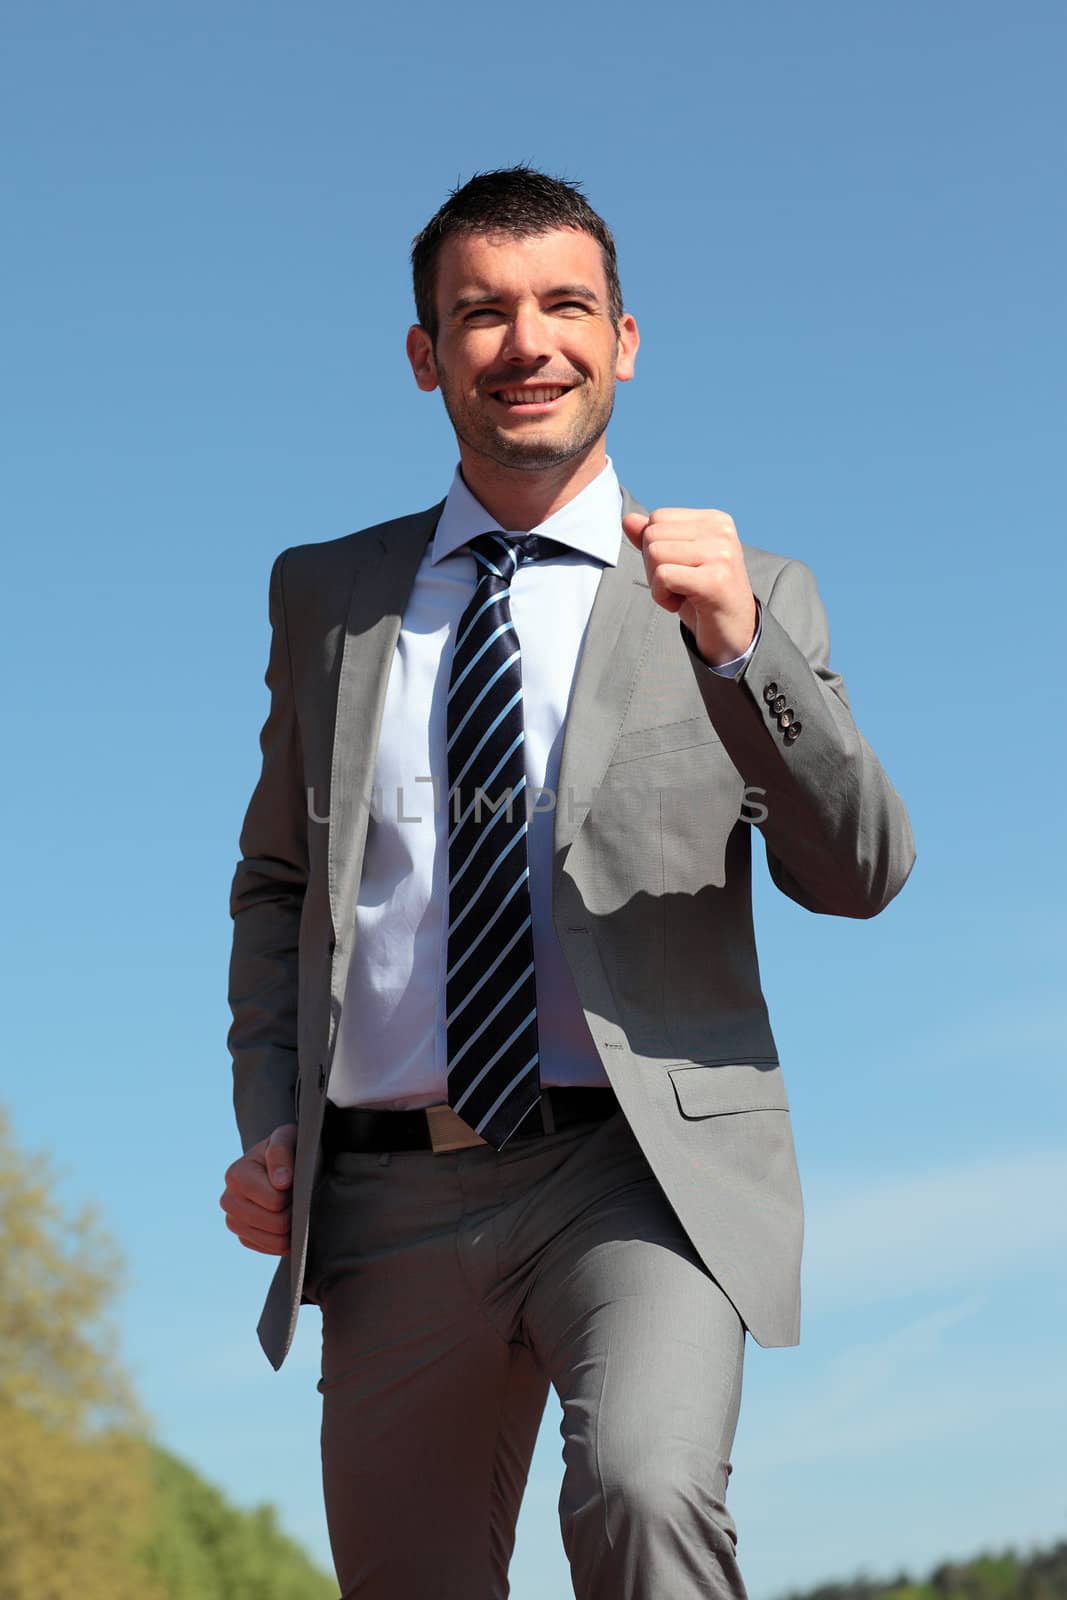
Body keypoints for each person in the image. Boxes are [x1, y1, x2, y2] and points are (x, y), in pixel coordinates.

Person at [220, 165, 915, 1600]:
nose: (527, 340)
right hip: (390, 1198)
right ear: (427, 357)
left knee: (644, 1499)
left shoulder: (746, 590)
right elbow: (277, 887)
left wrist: (738, 656)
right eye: (482, 312)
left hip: (641, 1172)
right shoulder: (327, 597)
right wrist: (273, 1115)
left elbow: (857, 876)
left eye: (565, 305)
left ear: (626, 339)